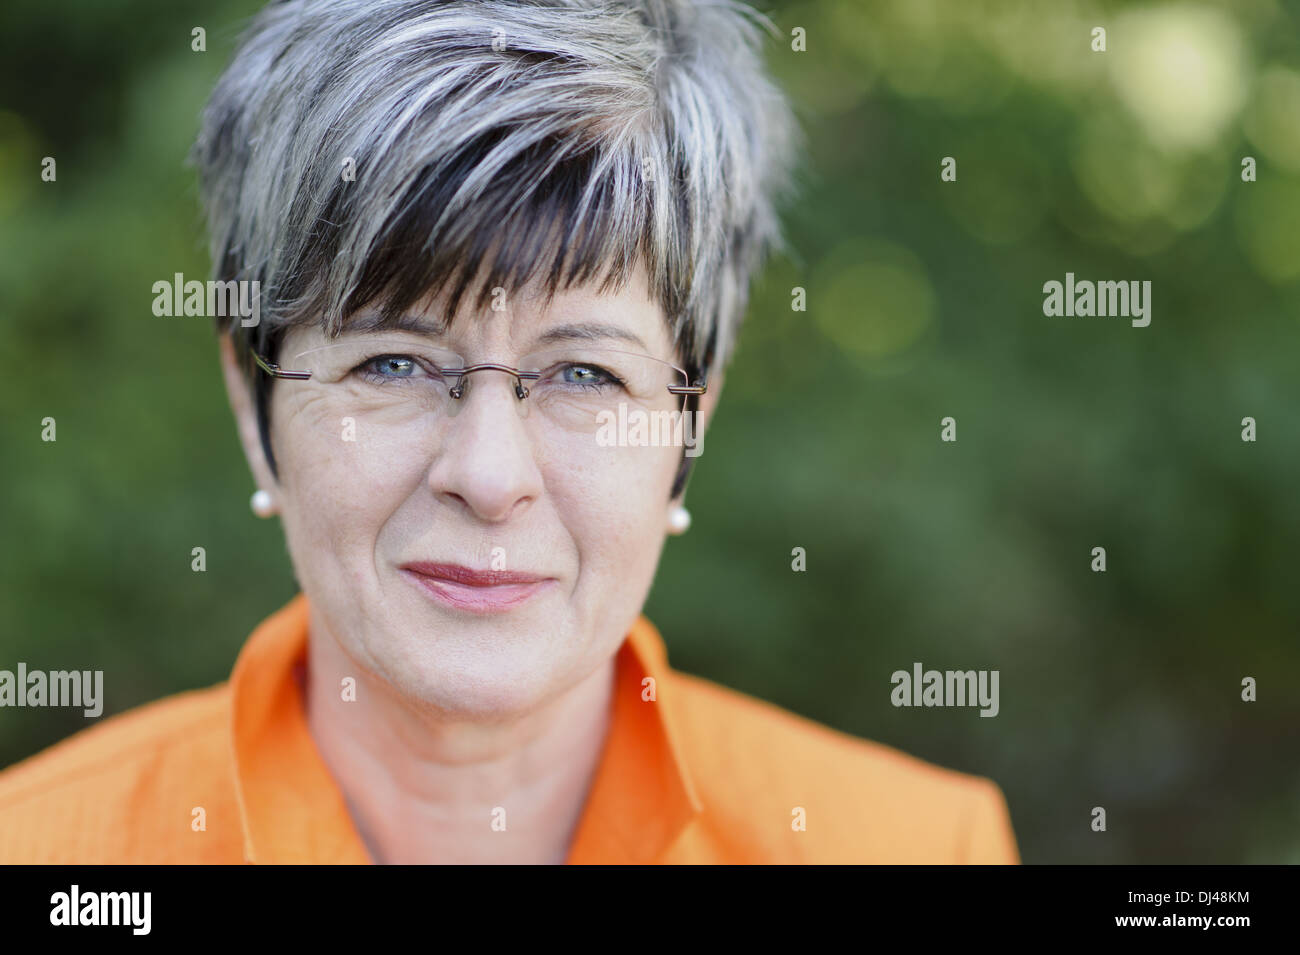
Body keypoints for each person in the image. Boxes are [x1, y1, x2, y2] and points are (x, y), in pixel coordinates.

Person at [0, 0, 1019, 864]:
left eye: (583, 372)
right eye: (391, 362)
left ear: (688, 422)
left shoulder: (921, 846)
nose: (488, 475)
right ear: (250, 399)